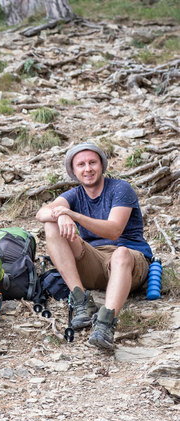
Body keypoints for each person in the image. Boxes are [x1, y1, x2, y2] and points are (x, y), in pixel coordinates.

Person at [35, 143, 152, 349]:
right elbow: (42, 213)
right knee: (51, 225)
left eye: (92, 163)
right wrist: (60, 215)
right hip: (94, 261)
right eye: (81, 165)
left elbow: (114, 230)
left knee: (121, 253)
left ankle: (105, 324)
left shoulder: (120, 188)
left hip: (129, 262)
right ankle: (81, 301)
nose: (87, 169)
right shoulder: (74, 194)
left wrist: (73, 215)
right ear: (74, 171)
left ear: (102, 165)